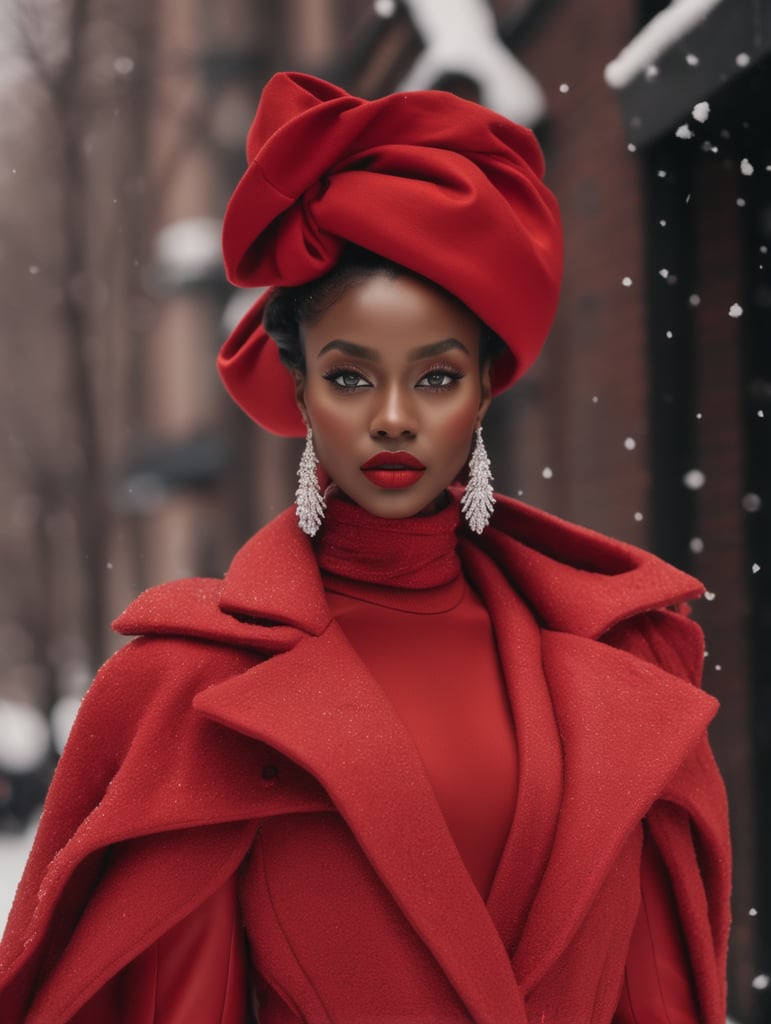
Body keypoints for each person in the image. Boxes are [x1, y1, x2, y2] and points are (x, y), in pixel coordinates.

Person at [0, 72, 730, 1023]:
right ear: (299, 391)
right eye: (351, 377)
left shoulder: (625, 663)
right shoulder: (192, 695)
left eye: (435, 375)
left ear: (484, 390)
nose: (393, 419)